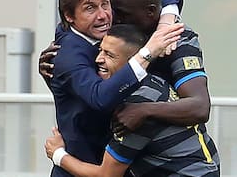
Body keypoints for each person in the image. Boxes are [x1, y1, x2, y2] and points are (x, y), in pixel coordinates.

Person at [47, 0, 184, 177]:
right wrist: (147, 53)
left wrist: (165, 24)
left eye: (105, 3)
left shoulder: (106, 30)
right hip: (81, 167)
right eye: (90, 8)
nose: (103, 15)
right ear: (69, 16)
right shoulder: (67, 54)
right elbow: (100, 97)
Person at [45, 24, 220, 177]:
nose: (98, 59)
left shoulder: (135, 106)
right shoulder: (150, 82)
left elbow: (107, 174)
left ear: (133, 62)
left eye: (109, 55)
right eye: (100, 50)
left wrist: (58, 154)